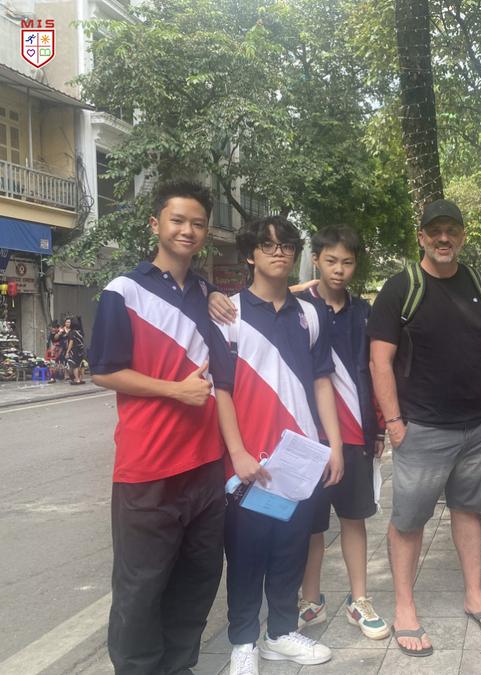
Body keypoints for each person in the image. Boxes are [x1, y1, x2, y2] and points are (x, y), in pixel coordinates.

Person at [88, 179, 232, 675]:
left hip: (206, 466)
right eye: (178, 220)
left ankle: (179, 666)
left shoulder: (207, 294)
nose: (188, 230)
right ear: (156, 224)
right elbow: (104, 370)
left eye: (198, 223)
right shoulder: (123, 291)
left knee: (197, 578)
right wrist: (174, 390)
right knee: (140, 586)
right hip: (148, 467)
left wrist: (216, 290)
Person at [367, 199, 481, 656]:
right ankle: (404, 609)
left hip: (478, 426)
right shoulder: (400, 288)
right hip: (422, 428)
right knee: (409, 521)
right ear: (422, 237)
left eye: (451, 230)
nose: (443, 238)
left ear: (462, 236)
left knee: (469, 510)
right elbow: (380, 362)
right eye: (435, 231)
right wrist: (394, 424)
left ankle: (474, 596)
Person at [214, 216, 340, 674]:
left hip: (299, 460)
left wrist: (334, 445)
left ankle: (281, 634)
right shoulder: (227, 314)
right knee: (246, 556)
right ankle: (243, 642)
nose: (279, 252)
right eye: (267, 246)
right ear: (250, 255)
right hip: (249, 464)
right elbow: (220, 390)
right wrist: (238, 454)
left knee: (291, 550)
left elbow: (323, 382)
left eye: (287, 245)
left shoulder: (311, 314)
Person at [291, 225, 390, 640]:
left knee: (353, 519)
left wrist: (378, 429)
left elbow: (375, 370)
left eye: (347, 262)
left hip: (354, 436)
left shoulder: (364, 312)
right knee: (311, 526)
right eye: (330, 260)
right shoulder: (295, 307)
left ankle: (359, 599)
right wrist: (295, 289)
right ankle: (310, 600)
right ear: (315, 260)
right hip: (308, 435)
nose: (339, 269)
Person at [65, 316, 86, 384]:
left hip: (74, 351)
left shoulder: (72, 333)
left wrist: (67, 351)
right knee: (81, 365)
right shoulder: (81, 332)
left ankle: (77, 379)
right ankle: (83, 379)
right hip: (80, 350)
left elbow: (71, 343)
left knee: (75, 365)